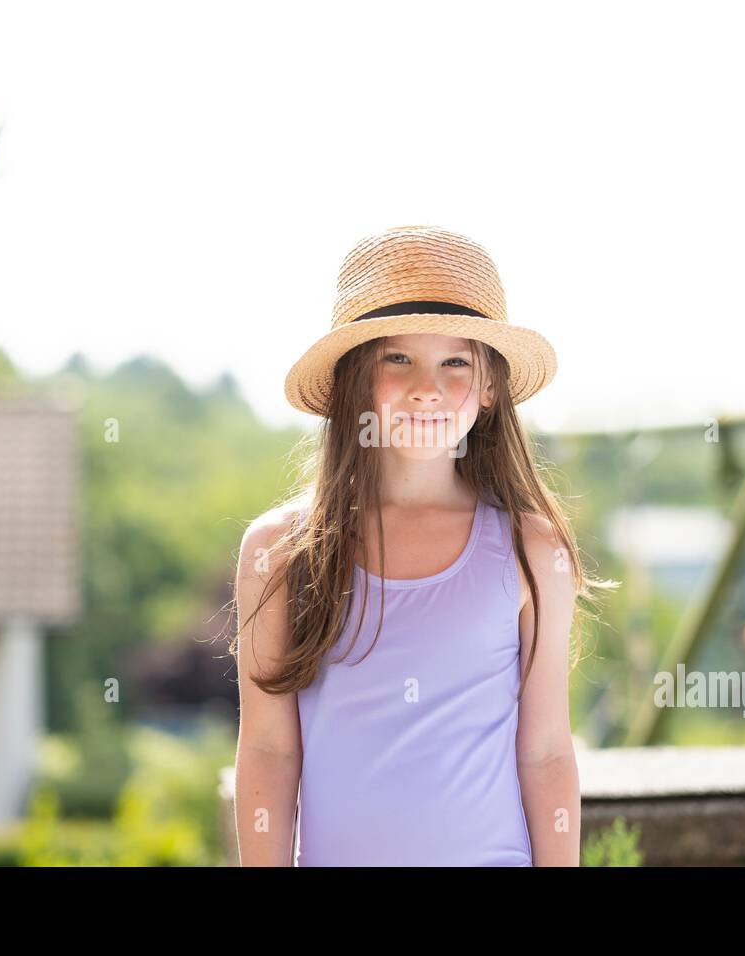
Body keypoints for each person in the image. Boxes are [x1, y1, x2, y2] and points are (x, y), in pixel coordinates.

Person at [231, 224, 612, 866]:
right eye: (397, 358)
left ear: (490, 388)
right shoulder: (280, 551)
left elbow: (545, 749)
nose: (426, 387)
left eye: (455, 362)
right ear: (355, 378)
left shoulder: (530, 548)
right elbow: (270, 749)